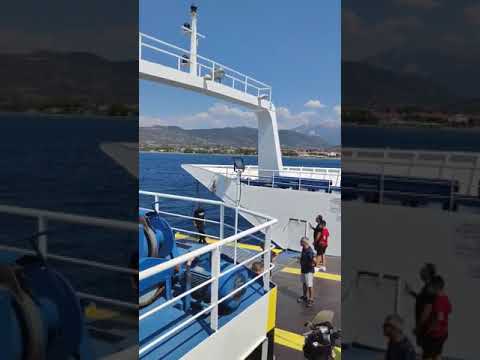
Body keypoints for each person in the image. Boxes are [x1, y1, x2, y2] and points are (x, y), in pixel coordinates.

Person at [419, 275, 452, 360]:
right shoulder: (446, 298)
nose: (428, 288)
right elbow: (448, 310)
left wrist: (429, 329)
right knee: (437, 354)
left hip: (435, 334)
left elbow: (439, 318)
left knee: (428, 356)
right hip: (443, 333)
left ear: (435, 287)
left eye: (430, 286)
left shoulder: (438, 300)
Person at [405, 263, 436, 348]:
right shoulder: (427, 287)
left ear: (428, 273)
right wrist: (411, 292)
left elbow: (427, 310)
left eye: (423, 270)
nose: (421, 271)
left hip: (427, 328)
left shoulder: (430, 289)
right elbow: (422, 299)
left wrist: (418, 327)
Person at [297, 237, 315, 308]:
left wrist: (314, 264)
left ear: (304, 243)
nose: (300, 243)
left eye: (301, 242)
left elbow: (314, 259)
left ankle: (311, 299)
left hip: (308, 271)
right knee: (304, 283)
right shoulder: (304, 248)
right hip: (303, 270)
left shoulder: (309, 251)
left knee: (309, 285)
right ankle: (305, 296)